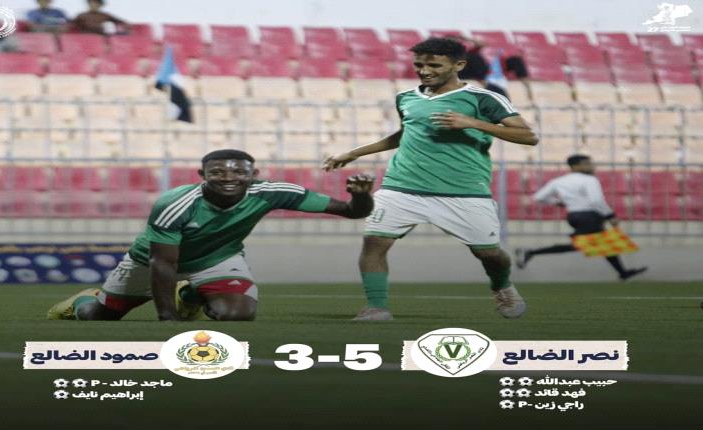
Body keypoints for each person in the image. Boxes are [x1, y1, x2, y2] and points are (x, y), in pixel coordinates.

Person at [323, 37, 539, 321]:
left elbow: (528, 136)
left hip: (464, 191)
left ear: (458, 65)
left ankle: (502, 286)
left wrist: (472, 122)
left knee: (489, 254)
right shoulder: (406, 97)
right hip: (402, 186)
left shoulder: (483, 99)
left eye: (434, 65)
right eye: (419, 65)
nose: (424, 71)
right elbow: (406, 134)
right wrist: (354, 153)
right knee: (374, 242)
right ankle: (376, 307)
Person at [48, 149, 375, 321]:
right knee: (100, 317)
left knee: (237, 315)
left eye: (239, 172)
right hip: (150, 263)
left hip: (218, 259)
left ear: (253, 174)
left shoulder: (274, 191)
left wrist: (360, 196)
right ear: (201, 175)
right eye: (217, 172)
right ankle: (83, 300)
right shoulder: (175, 203)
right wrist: (167, 319)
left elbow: (352, 212)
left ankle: (190, 295)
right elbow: (163, 263)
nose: (228, 178)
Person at [514, 154, 648, 280]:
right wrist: (610, 215)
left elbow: (538, 197)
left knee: (603, 243)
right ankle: (530, 252)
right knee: (582, 245)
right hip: (589, 216)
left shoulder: (558, 181)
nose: (591, 166)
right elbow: (596, 201)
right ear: (575, 166)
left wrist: (558, 202)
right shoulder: (590, 179)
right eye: (587, 164)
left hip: (573, 216)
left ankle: (623, 273)